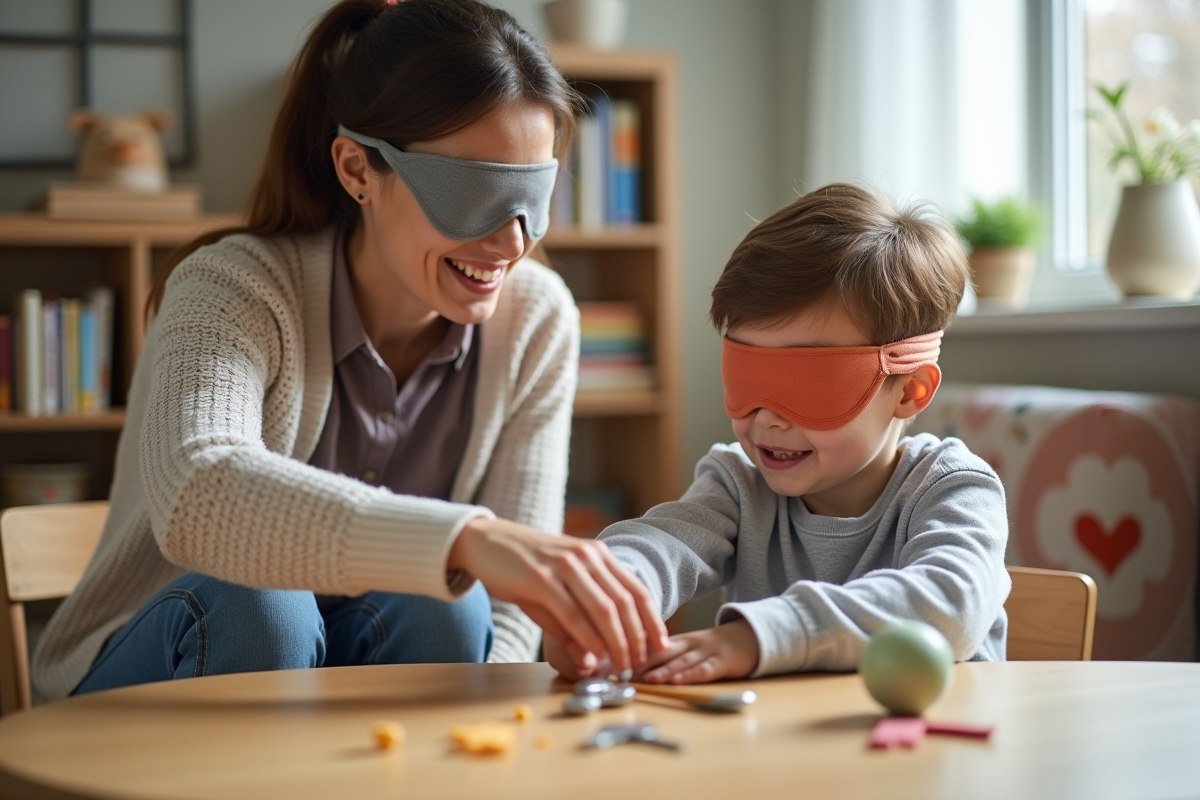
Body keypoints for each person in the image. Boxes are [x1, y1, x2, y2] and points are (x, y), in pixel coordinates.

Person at [33, 0, 667, 703]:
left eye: (532, 196)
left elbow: (511, 618)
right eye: (474, 194)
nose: (511, 243)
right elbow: (196, 492)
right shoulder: (232, 287)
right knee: (262, 604)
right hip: (147, 674)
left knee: (452, 604)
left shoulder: (539, 319)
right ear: (358, 169)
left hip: (354, 701)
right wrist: (464, 540)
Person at [546, 183, 1010, 684]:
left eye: (806, 385)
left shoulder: (954, 489)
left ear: (910, 390)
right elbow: (663, 543)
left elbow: (950, 605)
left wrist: (760, 635)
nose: (767, 419)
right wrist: (606, 596)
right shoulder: (738, 486)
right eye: (748, 378)